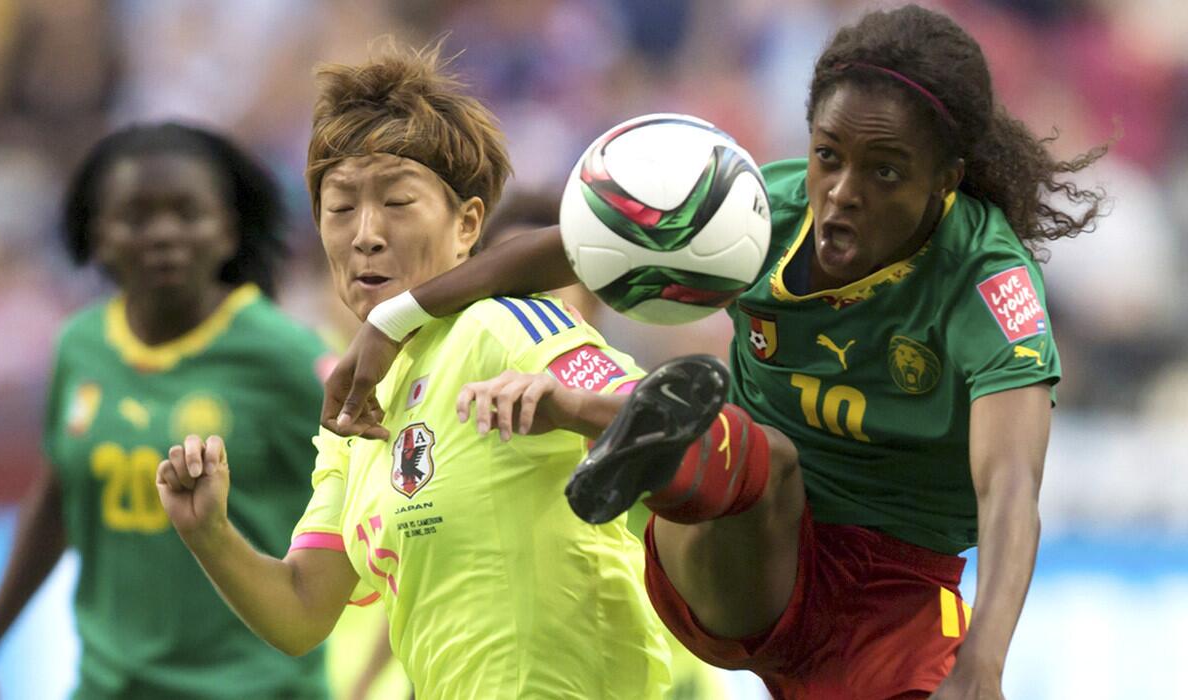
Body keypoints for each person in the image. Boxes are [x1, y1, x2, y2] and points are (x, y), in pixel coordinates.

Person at [320, 6, 1108, 699]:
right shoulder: (766, 206)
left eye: (886, 171)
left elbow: (1010, 484)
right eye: (829, 155)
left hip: (890, 597)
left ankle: (606, 418)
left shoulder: (987, 283)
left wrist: (985, 661)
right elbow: (580, 242)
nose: (842, 191)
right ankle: (627, 432)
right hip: (737, 542)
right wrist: (395, 316)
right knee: (765, 454)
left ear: (948, 181)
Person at [155, 45, 671, 699]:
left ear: (468, 224)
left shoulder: (506, 328)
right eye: (340, 208)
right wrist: (210, 533)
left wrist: (566, 407)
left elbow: (669, 420)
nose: (365, 233)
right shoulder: (352, 415)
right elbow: (302, 609)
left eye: (397, 202)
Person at [0, 123, 331, 698]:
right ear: (98, 237)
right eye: (136, 216)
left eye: (187, 212)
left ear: (227, 230)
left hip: (254, 689)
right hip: (107, 685)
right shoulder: (81, 346)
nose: (163, 233)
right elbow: (58, 500)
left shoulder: (290, 359)